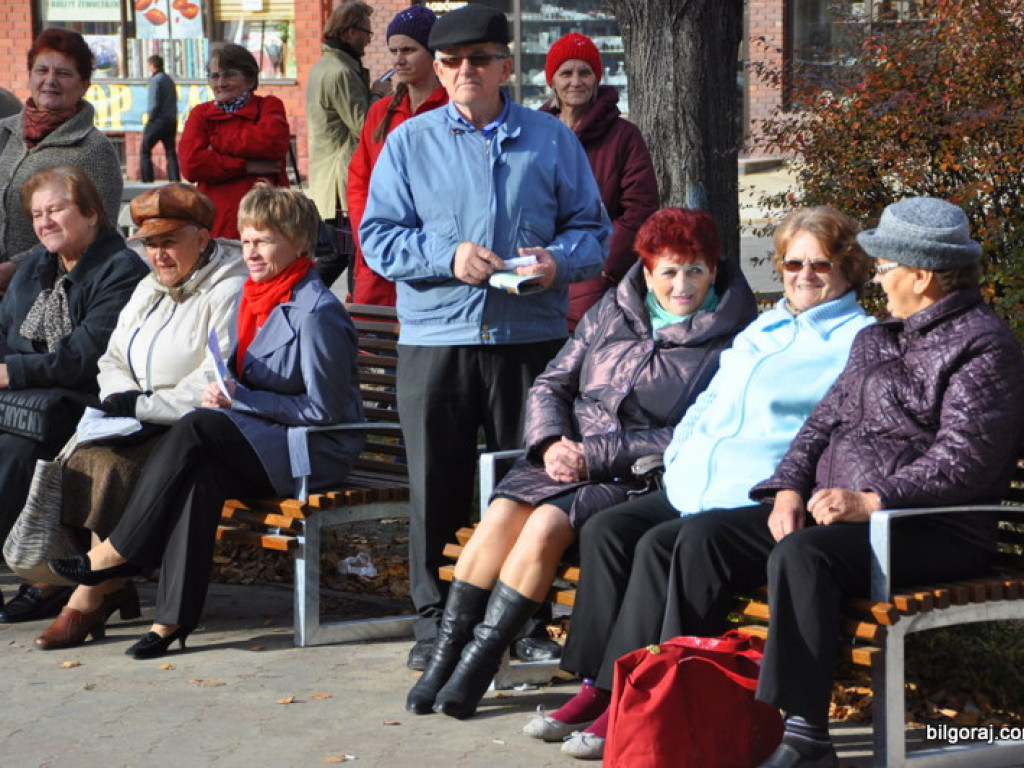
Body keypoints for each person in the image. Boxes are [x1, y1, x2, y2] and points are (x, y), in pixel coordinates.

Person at [527, 206, 876, 760]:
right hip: (693, 482)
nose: (804, 275)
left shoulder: (858, 340)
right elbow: (711, 401)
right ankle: (600, 685)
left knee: (672, 544)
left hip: (752, 495)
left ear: (848, 268)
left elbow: (828, 434)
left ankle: (640, 700)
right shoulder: (765, 324)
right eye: (792, 262)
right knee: (610, 529)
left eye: (821, 264)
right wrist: (684, 450)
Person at [406, 207, 758, 719]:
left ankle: (476, 667)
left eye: (696, 270)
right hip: (561, 455)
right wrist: (550, 443)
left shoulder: (731, 338)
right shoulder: (611, 310)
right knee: (500, 516)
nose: (683, 285)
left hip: (632, 474)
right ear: (648, 268)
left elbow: (695, 432)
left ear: (714, 267)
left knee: (546, 524)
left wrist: (591, 456)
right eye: (670, 271)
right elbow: (552, 382)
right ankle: (445, 658)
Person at [359, 3, 611, 673]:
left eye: (478, 59)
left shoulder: (551, 139)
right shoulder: (409, 142)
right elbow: (378, 238)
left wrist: (560, 260)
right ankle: (436, 619)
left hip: (529, 339)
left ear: (506, 64)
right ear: (437, 71)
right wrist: (448, 258)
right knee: (435, 487)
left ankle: (524, 619)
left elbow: (595, 231)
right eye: (451, 61)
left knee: (529, 487)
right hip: (434, 340)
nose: (464, 70)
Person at [744, 198, 1024, 768]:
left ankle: (804, 737)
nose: (876, 274)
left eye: (884, 263)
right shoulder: (879, 338)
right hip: (845, 520)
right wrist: (789, 489)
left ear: (920, 276)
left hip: (936, 529)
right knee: (705, 539)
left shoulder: (984, 346)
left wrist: (874, 501)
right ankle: (684, 706)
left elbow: (965, 460)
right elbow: (820, 424)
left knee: (803, 556)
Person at [49, 183, 365, 659]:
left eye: (264, 240)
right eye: (247, 238)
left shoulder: (317, 313)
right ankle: (171, 618)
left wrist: (242, 398)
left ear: (298, 244)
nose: (251, 252)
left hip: (312, 450)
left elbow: (325, 412)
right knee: (199, 477)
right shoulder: (256, 297)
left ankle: (116, 553)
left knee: (199, 426)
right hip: (267, 442)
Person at [11, 183, 246, 638]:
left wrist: (142, 405)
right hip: (134, 417)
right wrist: (122, 399)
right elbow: (111, 359)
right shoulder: (148, 286)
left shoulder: (228, 289)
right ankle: (106, 585)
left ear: (201, 238)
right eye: (150, 244)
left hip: (188, 428)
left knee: (114, 464)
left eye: (169, 242)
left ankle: (92, 591)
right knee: (89, 457)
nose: (158, 255)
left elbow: (211, 380)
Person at [0, 166, 148, 617]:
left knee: (16, 453)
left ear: (90, 213)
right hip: (31, 403)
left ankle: (51, 580)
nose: (45, 221)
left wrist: (10, 373)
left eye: (56, 210)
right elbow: (5, 329)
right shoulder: (37, 265)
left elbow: (82, 359)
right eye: (38, 213)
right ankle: (44, 575)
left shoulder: (120, 271)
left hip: (97, 404)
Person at [540, 32, 659, 330]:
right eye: (566, 73)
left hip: (595, 278)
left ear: (597, 79)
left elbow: (639, 211)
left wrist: (601, 267)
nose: (575, 81)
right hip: (538, 274)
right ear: (551, 80)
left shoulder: (623, 136)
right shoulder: (535, 133)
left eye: (585, 72)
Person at [0, 29, 123, 297]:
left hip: (49, 293)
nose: (50, 81)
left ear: (84, 84)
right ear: (30, 76)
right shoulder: (3, 134)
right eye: (41, 70)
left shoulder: (93, 150)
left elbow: (100, 233)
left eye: (64, 73)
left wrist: (18, 269)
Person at [346, 4, 446, 306]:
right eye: (394, 50)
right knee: (375, 345)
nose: (398, 60)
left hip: (434, 255)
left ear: (433, 53)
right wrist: (370, 236)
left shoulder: (453, 109)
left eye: (409, 50)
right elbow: (359, 179)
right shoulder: (380, 111)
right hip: (379, 258)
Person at [178, 43, 290, 240]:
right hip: (217, 223)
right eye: (214, 76)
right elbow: (191, 166)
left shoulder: (270, 106)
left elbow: (272, 144)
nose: (220, 83)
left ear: (250, 79)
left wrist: (215, 141)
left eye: (229, 75)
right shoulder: (200, 114)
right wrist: (247, 166)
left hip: (266, 220)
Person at [307, 1, 391, 224]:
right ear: (352, 32)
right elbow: (365, 127)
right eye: (367, 33)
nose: (368, 40)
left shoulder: (325, 65)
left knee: (334, 255)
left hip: (328, 185)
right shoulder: (341, 72)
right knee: (340, 256)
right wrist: (378, 95)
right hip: (340, 188)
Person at [140, 55, 180, 183]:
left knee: (145, 150)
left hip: (158, 121)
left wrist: (151, 119)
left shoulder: (155, 80)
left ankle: (147, 181)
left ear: (152, 65)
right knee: (170, 152)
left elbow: (154, 102)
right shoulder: (169, 79)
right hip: (171, 120)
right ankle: (175, 181)